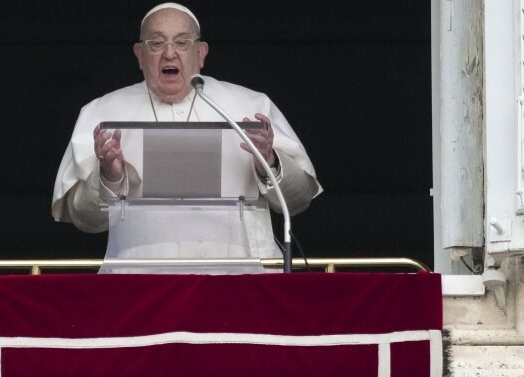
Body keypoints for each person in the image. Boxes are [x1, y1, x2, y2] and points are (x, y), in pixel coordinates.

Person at [52, 3, 322, 264]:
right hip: (140, 279)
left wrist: (270, 161)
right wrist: (109, 177)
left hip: (240, 276)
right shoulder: (102, 113)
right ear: (139, 54)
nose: (169, 54)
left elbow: (298, 201)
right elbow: (85, 221)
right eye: (156, 43)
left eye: (182, 43)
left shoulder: (251, 106)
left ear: (201, 53)